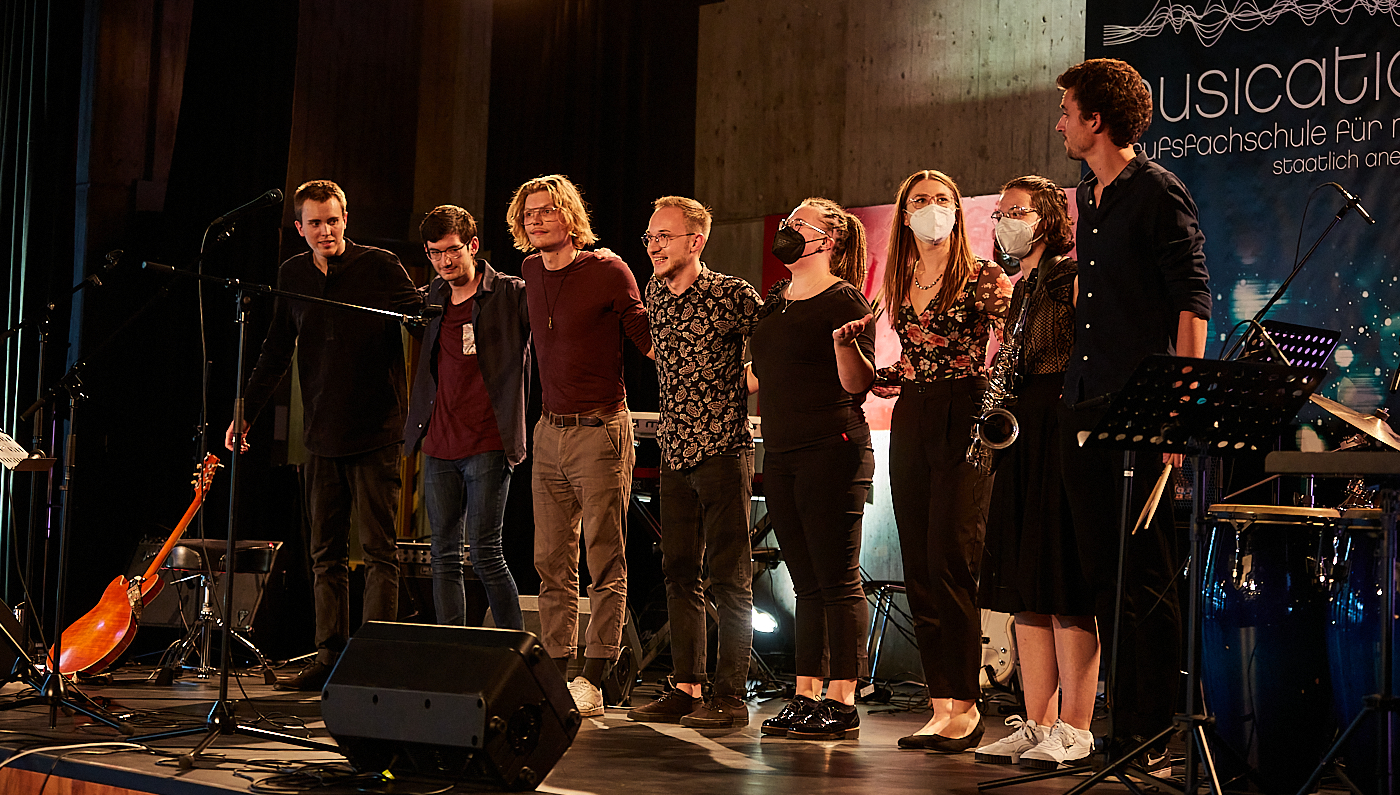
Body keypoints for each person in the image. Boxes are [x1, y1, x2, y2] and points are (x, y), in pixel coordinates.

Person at [1055, 58, 1210, 775]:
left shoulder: (1157, 191)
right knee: (1104, 574)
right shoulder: (1089, 196)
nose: (1060, 123)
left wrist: (1180, 407)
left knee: (1145, 573)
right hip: (1084, 401)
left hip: (1142, 405)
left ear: (1097, 120)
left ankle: (1157, 731)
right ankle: (1127, 729)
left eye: (1068, 112)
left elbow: (1192, 300)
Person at [226, 179, 418, 691]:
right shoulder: (292, 274)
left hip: (377, 432)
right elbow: (274, 351)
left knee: (379, 552)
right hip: (321, 436)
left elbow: (425, 322)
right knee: (324, 555)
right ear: (299, 227)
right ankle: (329, 657)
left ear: (345, 219)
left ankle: (376, 661)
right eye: (315, 223)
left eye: (333, 220)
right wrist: (244, 413)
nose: (325, 230)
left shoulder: (379, 265)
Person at [872, 170, 1012, 752]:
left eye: (941, 200)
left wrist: (995, 402)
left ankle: (967, 705)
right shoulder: (900, 277)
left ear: (956, 210)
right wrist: (878, 371)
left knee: (951, 558)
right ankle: (940, 704)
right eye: (920, 201)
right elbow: (913, 358)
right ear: (905, 215)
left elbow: (1015, 342)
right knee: (918, 565)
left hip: (964, 409)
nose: (931, 208)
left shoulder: (982, 276)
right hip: (913, 412)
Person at [506, 174, 652, 717]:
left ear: (569, 215)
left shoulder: (608, 270)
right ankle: (557, 669)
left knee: (604, 559)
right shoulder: (529, 271)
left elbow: (649, 342)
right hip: (548, 430)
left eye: (547, 210)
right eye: (529, 213)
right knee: (550, 561)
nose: (537, 220)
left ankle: (595, 674)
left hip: (600, 429)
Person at [972, 177, 1098, 769]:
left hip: (1060, 424)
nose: (1004, 222)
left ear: (1046, 218)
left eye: (1015, 211)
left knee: (1062, 580)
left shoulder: (1070, 277)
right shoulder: (1021, 288)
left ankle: (1077, 727)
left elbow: (1089, 354)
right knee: (1024, 583)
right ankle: (1038, 722)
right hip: (1021, 430)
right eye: (1000, 213)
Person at [626, 196, 763, 729]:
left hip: (723, 449)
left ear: (696, 241)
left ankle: (730, 695)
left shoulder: (732, 294)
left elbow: (773, 347)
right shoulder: (656, 292)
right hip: (674, 450)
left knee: (730, 577)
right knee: (678, 570)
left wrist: (741, 383)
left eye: (664, 237)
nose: (654, 246)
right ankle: (687, 686)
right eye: (650, 237)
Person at [750, 197, 876, 741]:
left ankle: (842, 699)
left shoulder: (843, 299)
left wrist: (845, 347)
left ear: (829, 239)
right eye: (789, 221)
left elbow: (858, 382)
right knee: (804, 582)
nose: (788, 228)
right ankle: (805, 695)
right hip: (780, 452)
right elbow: (760, 375)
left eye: (800, 223)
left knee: (837, 578)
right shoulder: (776, 300)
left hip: (832, 449)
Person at [403, 205, 528, 631]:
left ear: (473, 245)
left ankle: (514, 651)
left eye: (452, 250)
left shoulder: (508, 293)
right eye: (435, 252)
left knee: (487, 552)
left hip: (488, 443)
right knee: (443, 554)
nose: (445, 261)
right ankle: (451, 648)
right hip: (439, 445)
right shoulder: (430, 299)